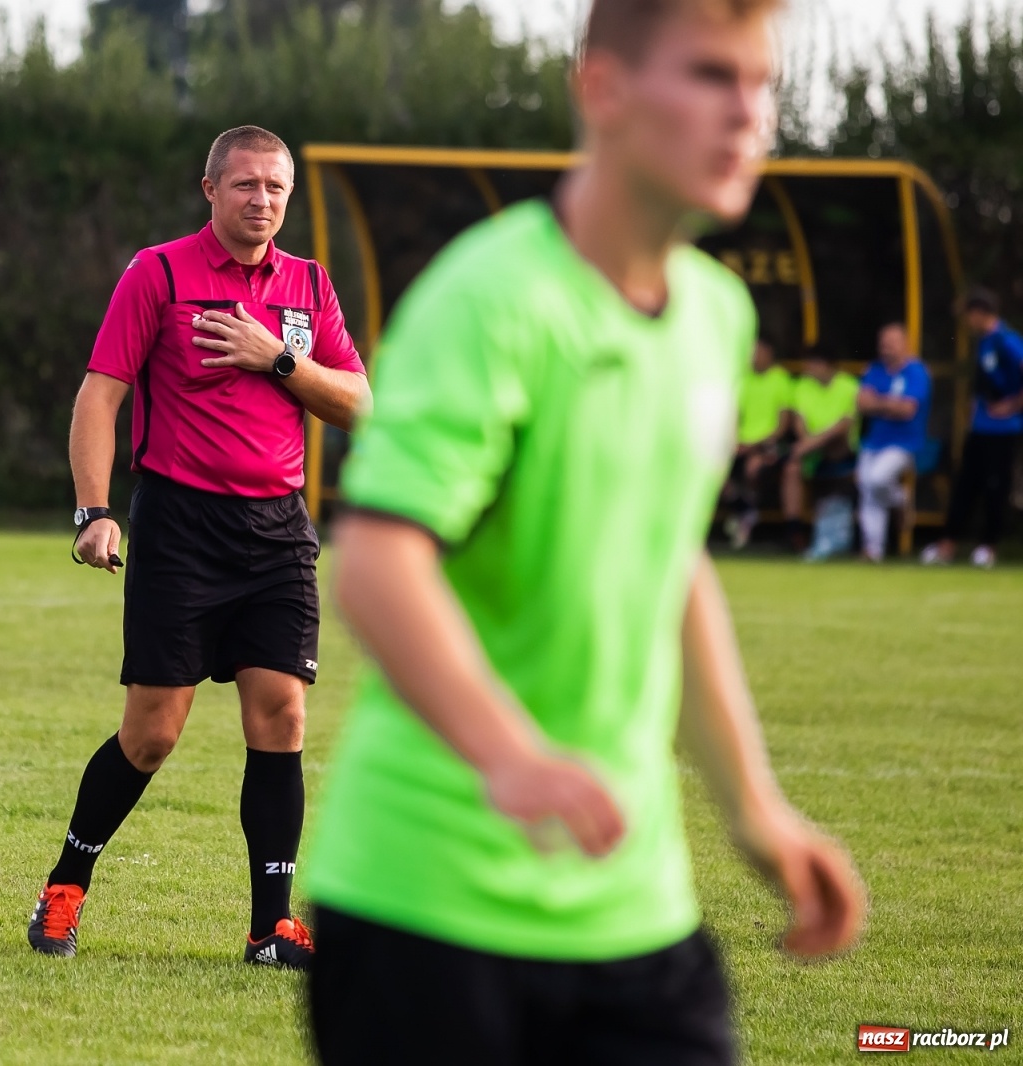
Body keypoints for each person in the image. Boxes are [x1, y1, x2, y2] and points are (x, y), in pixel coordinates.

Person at [302, 0, 866, 1061]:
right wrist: (509, 755)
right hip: (424, 911)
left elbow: (668, 561)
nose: (747, 115)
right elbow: (378, 560)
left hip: (632, 913)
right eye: (710, 76)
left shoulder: (714, 317)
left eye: (762, 84)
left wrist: (755, 810)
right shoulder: (490, 301)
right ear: (602, 89)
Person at [27, 126, 370, 970]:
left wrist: (277, 359)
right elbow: (99, 397)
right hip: (180, 528)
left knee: (282, 717)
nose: (262, 200)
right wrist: (94, 513)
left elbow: (362, 403)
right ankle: (65, 887)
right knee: (152, 734)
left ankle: (270, 929)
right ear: (209, 188)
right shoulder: (161, 273)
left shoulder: (309, 286)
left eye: (276, 188)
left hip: (278, 531)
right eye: (246, 184)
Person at [920, 288, 1023, 569]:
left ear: (978, 313)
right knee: (965, 485)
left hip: (1004, 430)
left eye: (968, 315)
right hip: (980, 428)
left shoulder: (1007, 341)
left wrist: (1012, 405)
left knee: (996, 488)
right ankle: (947, 545)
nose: (966, 323)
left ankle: (988, 547)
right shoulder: (985, 342)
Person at [856, 323, 931, 562]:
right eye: (883, 343)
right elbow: (861, 404)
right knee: (866, 487)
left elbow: (908, 410)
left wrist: (878, 403)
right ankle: (873, 549)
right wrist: (889, 404)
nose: (885, 348)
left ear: (905, 344)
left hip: (905, 444)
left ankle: (900, 499)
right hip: (874, 442)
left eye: (891, 342)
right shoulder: (874, 370)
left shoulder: (916, 372)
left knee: (877, 479)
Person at [783, 349, 859, 556]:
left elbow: (845, 425)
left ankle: (852, 538)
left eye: (813, 363)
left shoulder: (849, 385)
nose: (808, 369)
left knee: (836, 441)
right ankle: (794, 532)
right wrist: (809, 443)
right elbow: (798, 424)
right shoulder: (802, 386)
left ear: (828, 365)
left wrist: (812, 443)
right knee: (791, 468)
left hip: (843, 450)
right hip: (812, 452)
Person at [724, 334, 791, 548]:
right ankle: (745, 511)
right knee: (713, 471)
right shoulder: (742, 378)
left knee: (754, 467)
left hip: (768, 444)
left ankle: (747, 518)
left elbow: (782, 426)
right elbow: (732, 416)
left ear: (769, 353)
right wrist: (733, 441)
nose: (753, 357)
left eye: (758, 352)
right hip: (741, 444)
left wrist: (754, 445)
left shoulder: (781, 379)